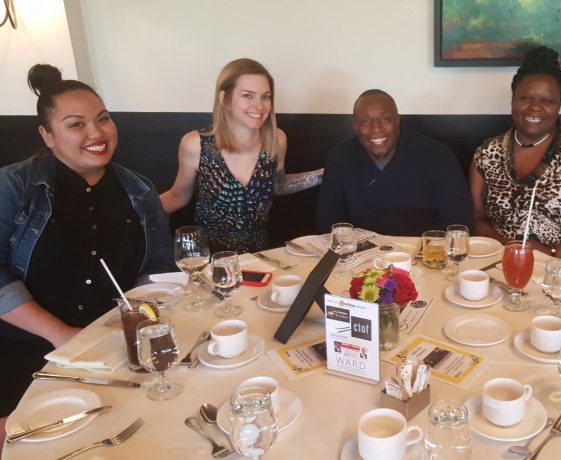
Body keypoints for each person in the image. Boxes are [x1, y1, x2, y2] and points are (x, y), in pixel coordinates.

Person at [0, 65, 174, 437]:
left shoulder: (140, 191)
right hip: (28, 350)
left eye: (103, 119)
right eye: (76, 124)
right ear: (47, 135)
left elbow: (158, 267)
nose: (97, 133)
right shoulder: (14, 186)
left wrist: (140, 324)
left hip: (115, 349)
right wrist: (62, 333)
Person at [470, 46, 561, 259]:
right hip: (502, 265)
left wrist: (552, 255)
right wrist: (512, 252)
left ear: (559, 104)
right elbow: (477, 220)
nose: (535, 107)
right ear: (513, 99)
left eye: (547, 101)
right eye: (526, 98)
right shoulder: (487, 153)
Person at [160, 58, 323, 253]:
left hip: (259, 261)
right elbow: (177, 196)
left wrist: (325, 174)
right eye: (248, 95)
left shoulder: (277, 140)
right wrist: (132, 214)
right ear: (224, 98)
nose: (259, 106)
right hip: (208, 266)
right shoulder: (195, 144)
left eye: (266, 97)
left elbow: (278, 185)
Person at [316, 89, 472, 236]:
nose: (376, 128)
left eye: (385, 119)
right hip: (360, 257)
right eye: (364, 121)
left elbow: (457, 222)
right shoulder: (341, 157)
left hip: (424, 256)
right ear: (355, 126)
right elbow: (329, 220)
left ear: (398, 120)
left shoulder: (438, 156)